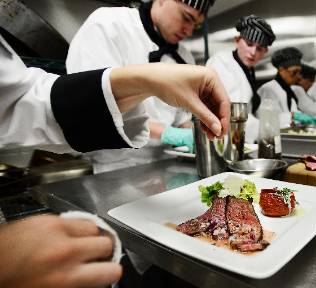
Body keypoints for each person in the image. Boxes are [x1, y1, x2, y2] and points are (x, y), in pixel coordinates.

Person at [0, 34, 229, 288]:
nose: (189, 27)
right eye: (186, 16)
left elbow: (27, 100)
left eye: (196, 22)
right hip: (116, 171)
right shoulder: (108, 26)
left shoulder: (183, 54)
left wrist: (148, 81)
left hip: (165, 170)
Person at [66, 0, 216, 173]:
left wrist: (195, 136)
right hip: (114, 168)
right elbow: (94, 107)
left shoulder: (185, 57)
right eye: (186, 17)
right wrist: (168, 133)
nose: (189, 31)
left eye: (196, 26)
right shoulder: (108, 25)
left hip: (167, 166)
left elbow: (181, 118)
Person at [206, 14, 276, 143]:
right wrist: (266, 130)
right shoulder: (221, 62)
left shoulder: (248, 69)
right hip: (221, 140)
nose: (253, 52)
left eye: (259, 49)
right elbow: (231, 111)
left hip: (239, 138)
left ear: (265, 52)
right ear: (237, 40)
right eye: (249, 44)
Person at [257, 47, 316, 128]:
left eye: (299, 72)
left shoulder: (289, 91)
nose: (298, 76)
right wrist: (293, 116)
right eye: (294, 72)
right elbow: (268, 120)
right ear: (281, 70)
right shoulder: (268, 89)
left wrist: (302, 118)